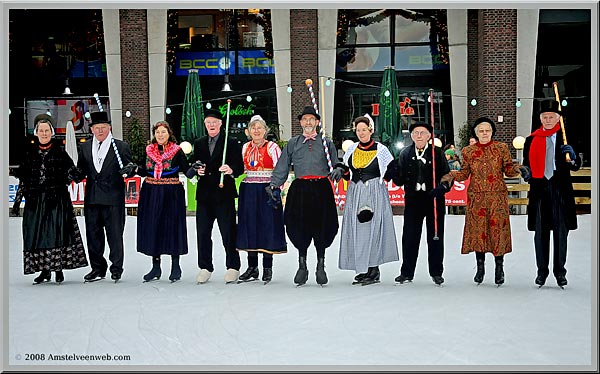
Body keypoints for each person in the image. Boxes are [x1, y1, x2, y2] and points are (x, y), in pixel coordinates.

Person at [442, 117, 523, 286]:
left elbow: (508, 168)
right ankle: (480, 268)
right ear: (476, 133)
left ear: (492, 132)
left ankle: (499, 268)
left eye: (487, 130)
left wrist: (518, 169)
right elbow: (464, 173)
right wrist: (450, 175)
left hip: (497, 197)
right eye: (481, 131)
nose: (484, 133)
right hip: (476, 198)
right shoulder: (468, 151)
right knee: (479, 231)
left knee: (497, 231)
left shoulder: (501, 148)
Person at [268, 106, 342, 286]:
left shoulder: (326, 143)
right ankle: (302, 265)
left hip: (321, 190)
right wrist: (274, 184)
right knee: (299, 226)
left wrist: (338, 170)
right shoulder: (293, 143)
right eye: (305, 119)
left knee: (322, 226)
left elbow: (335, 163)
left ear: (317, 122)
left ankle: (320, 265)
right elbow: (283, 165)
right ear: (300, 122)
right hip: (300, 190)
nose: (308, 122)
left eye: (312, 119)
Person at [15, 114, 88, 284]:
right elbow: (24, 179)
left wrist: (78, 171)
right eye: (41, 130)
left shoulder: (60, 152)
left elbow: (72, 173)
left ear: (52, 132)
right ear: (36, 133)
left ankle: (58, 269)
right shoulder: (29, 153)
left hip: (57, 200)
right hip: (35, 202)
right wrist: (18, 201)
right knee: (37, 235)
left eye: (47, 130)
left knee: (57, 233)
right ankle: (44, 270)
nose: (44, 133)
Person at [522, 100, 581, 288]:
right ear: (540, 119)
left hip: (560, 191)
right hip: (540, 191)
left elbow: (576, 165)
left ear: (558, 118)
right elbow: (526, 164)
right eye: (544, 117)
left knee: (561, 233)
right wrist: (526, 172)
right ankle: (542, 271)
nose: (547, 120)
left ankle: (560, 272)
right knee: (540, 233)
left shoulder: (565, 137)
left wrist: (573, 158)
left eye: (551, 117)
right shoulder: (531, 139)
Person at [337, 115, 399, 285]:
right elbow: (348, 171)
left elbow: (391, 170)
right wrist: (340, 171)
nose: (361, 133)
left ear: (371, 130)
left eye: (364, 129)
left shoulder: (381, 150)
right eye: (358, 130)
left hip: (374, 192)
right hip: (355, 192)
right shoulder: (351, 149)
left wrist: (398, 172)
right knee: (358, 230)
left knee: (374, 229)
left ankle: (374, 269)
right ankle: (364, 268)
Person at [185, 109, 244, 284]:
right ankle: (205, 267)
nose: (211, 125)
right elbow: (195, 165)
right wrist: (198, 170)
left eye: (214, 122)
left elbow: (239, 167)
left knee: (228, 232)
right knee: (203, 233)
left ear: (220, 124)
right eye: (208, 122)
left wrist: (231, 169)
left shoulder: (231, 142)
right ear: (205, 124)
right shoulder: (199, 142)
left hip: (224, 194)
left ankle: (233, 266)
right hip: (204, 195)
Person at [76, 111, 134, 282]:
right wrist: (75, 174)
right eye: (96, 128)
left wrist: (130, 169)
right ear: (92, 129)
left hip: (113, 199)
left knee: (115, 235)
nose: (100, 131)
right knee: (93, 236)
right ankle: (97, 268)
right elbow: (82, 170)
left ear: (109, 128)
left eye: (103, 127)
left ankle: (116, 268)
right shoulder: (85, 147)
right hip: (92, 198)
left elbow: (129, 166)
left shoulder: (121, 147)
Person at [391, 121, 450, 286]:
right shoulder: (405, 153)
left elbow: (447, 175)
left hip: (434, 199)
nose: (419, 135)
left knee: (436, 236)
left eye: (422, 133)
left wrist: (443, 187)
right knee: (410, 236)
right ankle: (407, 272)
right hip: (413, 200)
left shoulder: (437, 153)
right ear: (411, 136)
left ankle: (436, 272)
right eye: (416, 132)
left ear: (429, 136)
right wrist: (394, 173)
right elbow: (400, 179)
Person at [132, 121, 190, 283]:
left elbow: (186, 170)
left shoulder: (177, 151)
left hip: (171, 193)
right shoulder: (149, 150)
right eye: (157, 132)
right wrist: (135, 169)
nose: (160, 135)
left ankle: (175, 266)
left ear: (169, 133)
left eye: (163, 132)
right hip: (151, 192)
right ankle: (155, 267)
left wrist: (197, 168)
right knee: (154, 227)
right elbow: (145, 170)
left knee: (172, 228)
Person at [236, 115, 287, 284]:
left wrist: (277, 188)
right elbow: (240, 168)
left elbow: (280, 169)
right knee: (249, 225)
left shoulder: (272, 147)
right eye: (253, 128)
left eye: (259, 128)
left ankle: (267, 267)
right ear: (248, 131)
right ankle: (252, 267)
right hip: (249, 189)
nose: (256, 131)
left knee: (267, 226)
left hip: (267, 189)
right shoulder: (245, 147)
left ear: (265, 130)